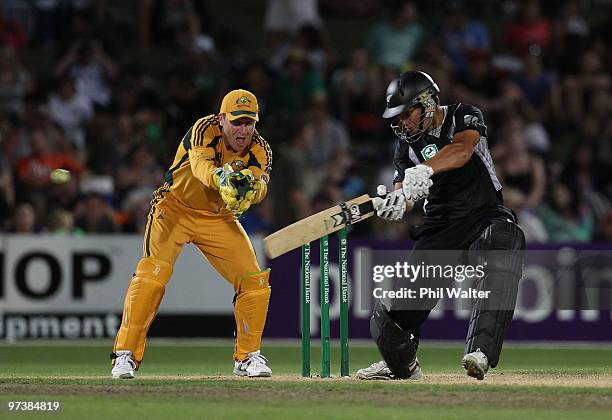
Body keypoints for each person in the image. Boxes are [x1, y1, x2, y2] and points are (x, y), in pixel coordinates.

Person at [358, 71, 525, 381]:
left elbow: (462, 150)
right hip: (439, 230)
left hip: (483, 215)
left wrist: (425, 170)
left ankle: (481, 352)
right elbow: (403, 194)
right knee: (390, 320)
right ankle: (402, 366)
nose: (403, 123)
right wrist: (395, 203)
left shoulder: (463, 115)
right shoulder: (404, 147)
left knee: (504, 239)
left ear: (429, 103)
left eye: (407, 113)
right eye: (398, 116)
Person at [110, 89, 273, 379]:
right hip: (174, 209)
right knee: (151, 277)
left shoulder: (260, 149)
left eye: (249, 122)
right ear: (222, 119)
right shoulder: (204, 128)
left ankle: (248, 357)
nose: (243, 130)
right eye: (236, 122)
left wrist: (251, 191)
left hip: (218, 218)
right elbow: (199, 166)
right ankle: (125, 356)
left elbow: (261, 185)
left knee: (254, 280)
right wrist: (221, 178)